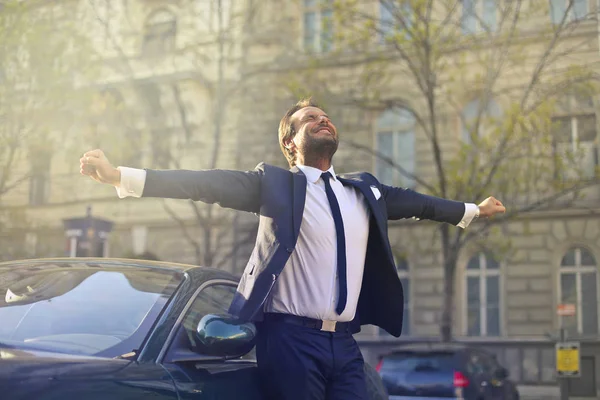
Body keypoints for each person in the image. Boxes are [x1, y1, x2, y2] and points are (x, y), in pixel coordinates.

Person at [80, 98, 506, 400]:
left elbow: (422, 203)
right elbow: (204, 183)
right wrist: (121, 176)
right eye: (310, 119)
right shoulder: (276, 185)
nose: (324, 121)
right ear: (290, 143)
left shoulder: (365, 190)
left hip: (345, 342)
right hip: (289, 339)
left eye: (326, 117)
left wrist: (473, 209)